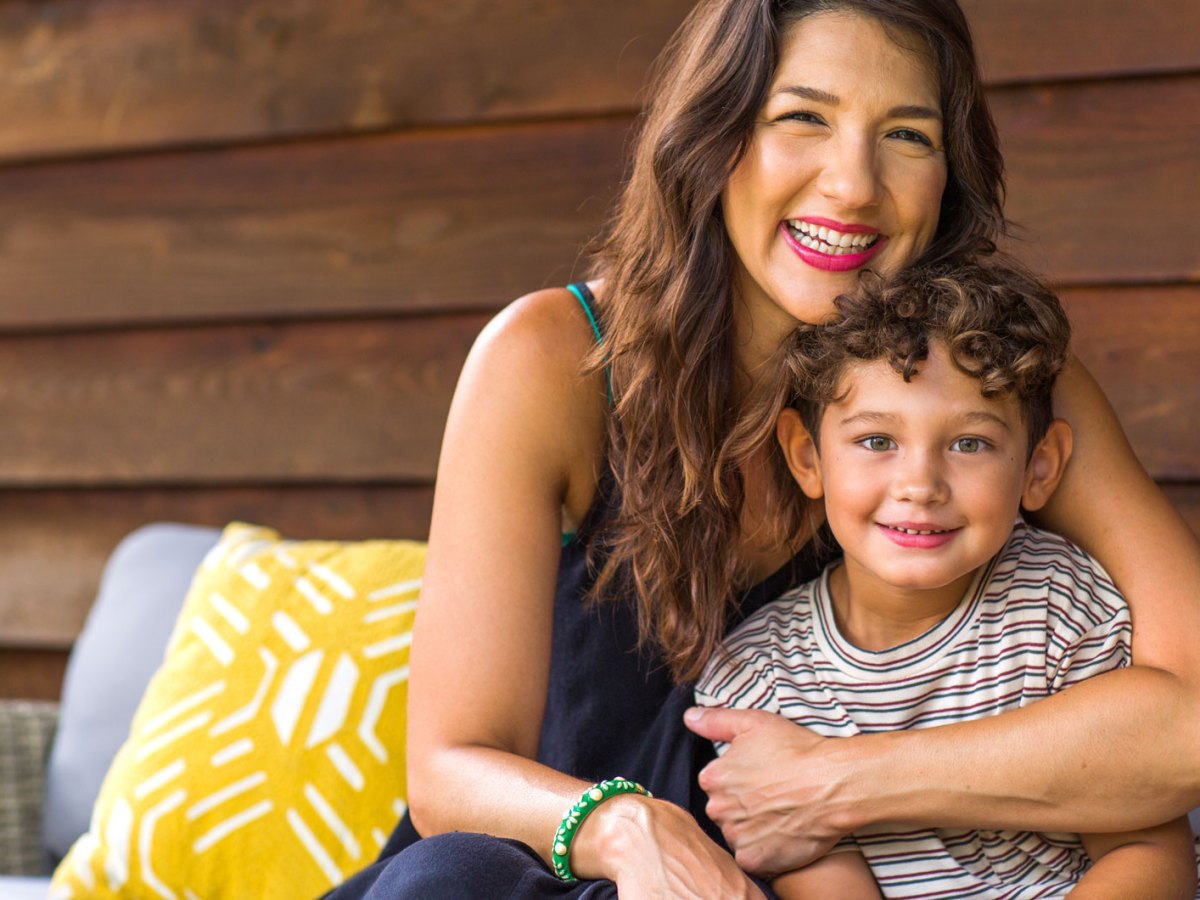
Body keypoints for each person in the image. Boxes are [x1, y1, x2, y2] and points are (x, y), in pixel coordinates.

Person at [326, 1, 1200, 897]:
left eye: (906, 134)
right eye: (802, 117)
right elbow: (448, 773)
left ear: (950, 175)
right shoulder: (553, 359)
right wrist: (631, 829)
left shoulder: (994, 384)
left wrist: (843, 783)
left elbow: (1193, 717)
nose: (853, 185)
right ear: (716, 136)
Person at [695, 258, 1199, 898]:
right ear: (806, 457)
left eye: (969, 444)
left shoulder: (1060, 607)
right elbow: (814, 872)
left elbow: (1148, 851)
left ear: (1040, 468)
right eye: (877, 441)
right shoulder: (762, 675)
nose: (920, 486)